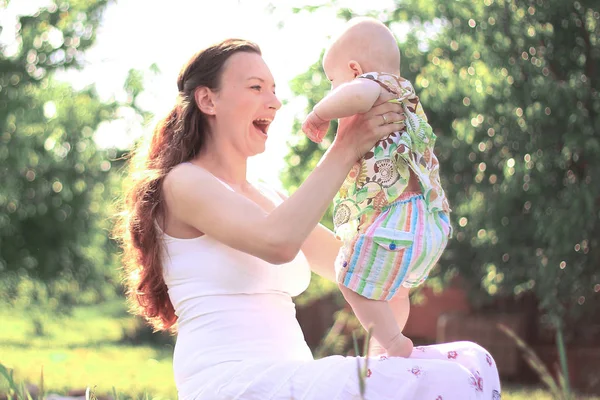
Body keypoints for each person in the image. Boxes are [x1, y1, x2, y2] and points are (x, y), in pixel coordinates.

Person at [116, 38, 501, 399]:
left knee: (472, 361)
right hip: (235, 384)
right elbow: (277, 243)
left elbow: (353, 263)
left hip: (294, 378)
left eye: (274, 88)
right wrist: (347, 145)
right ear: (208, 100)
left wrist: (409, 216)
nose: (275, 101)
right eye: (256, 88)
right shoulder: (183, 183)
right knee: (445, 382)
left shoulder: (270, 195)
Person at [302, 17, 452, 359]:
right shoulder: (405, 95)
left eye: (332, 82)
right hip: (429, 220)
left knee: (348, 274)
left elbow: (357, 93)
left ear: (355, 70)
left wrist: (319, 113)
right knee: (392, 293)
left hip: (397, 218)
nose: (331, 92)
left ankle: (395, 345)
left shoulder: (375, 85)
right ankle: (385, 347)